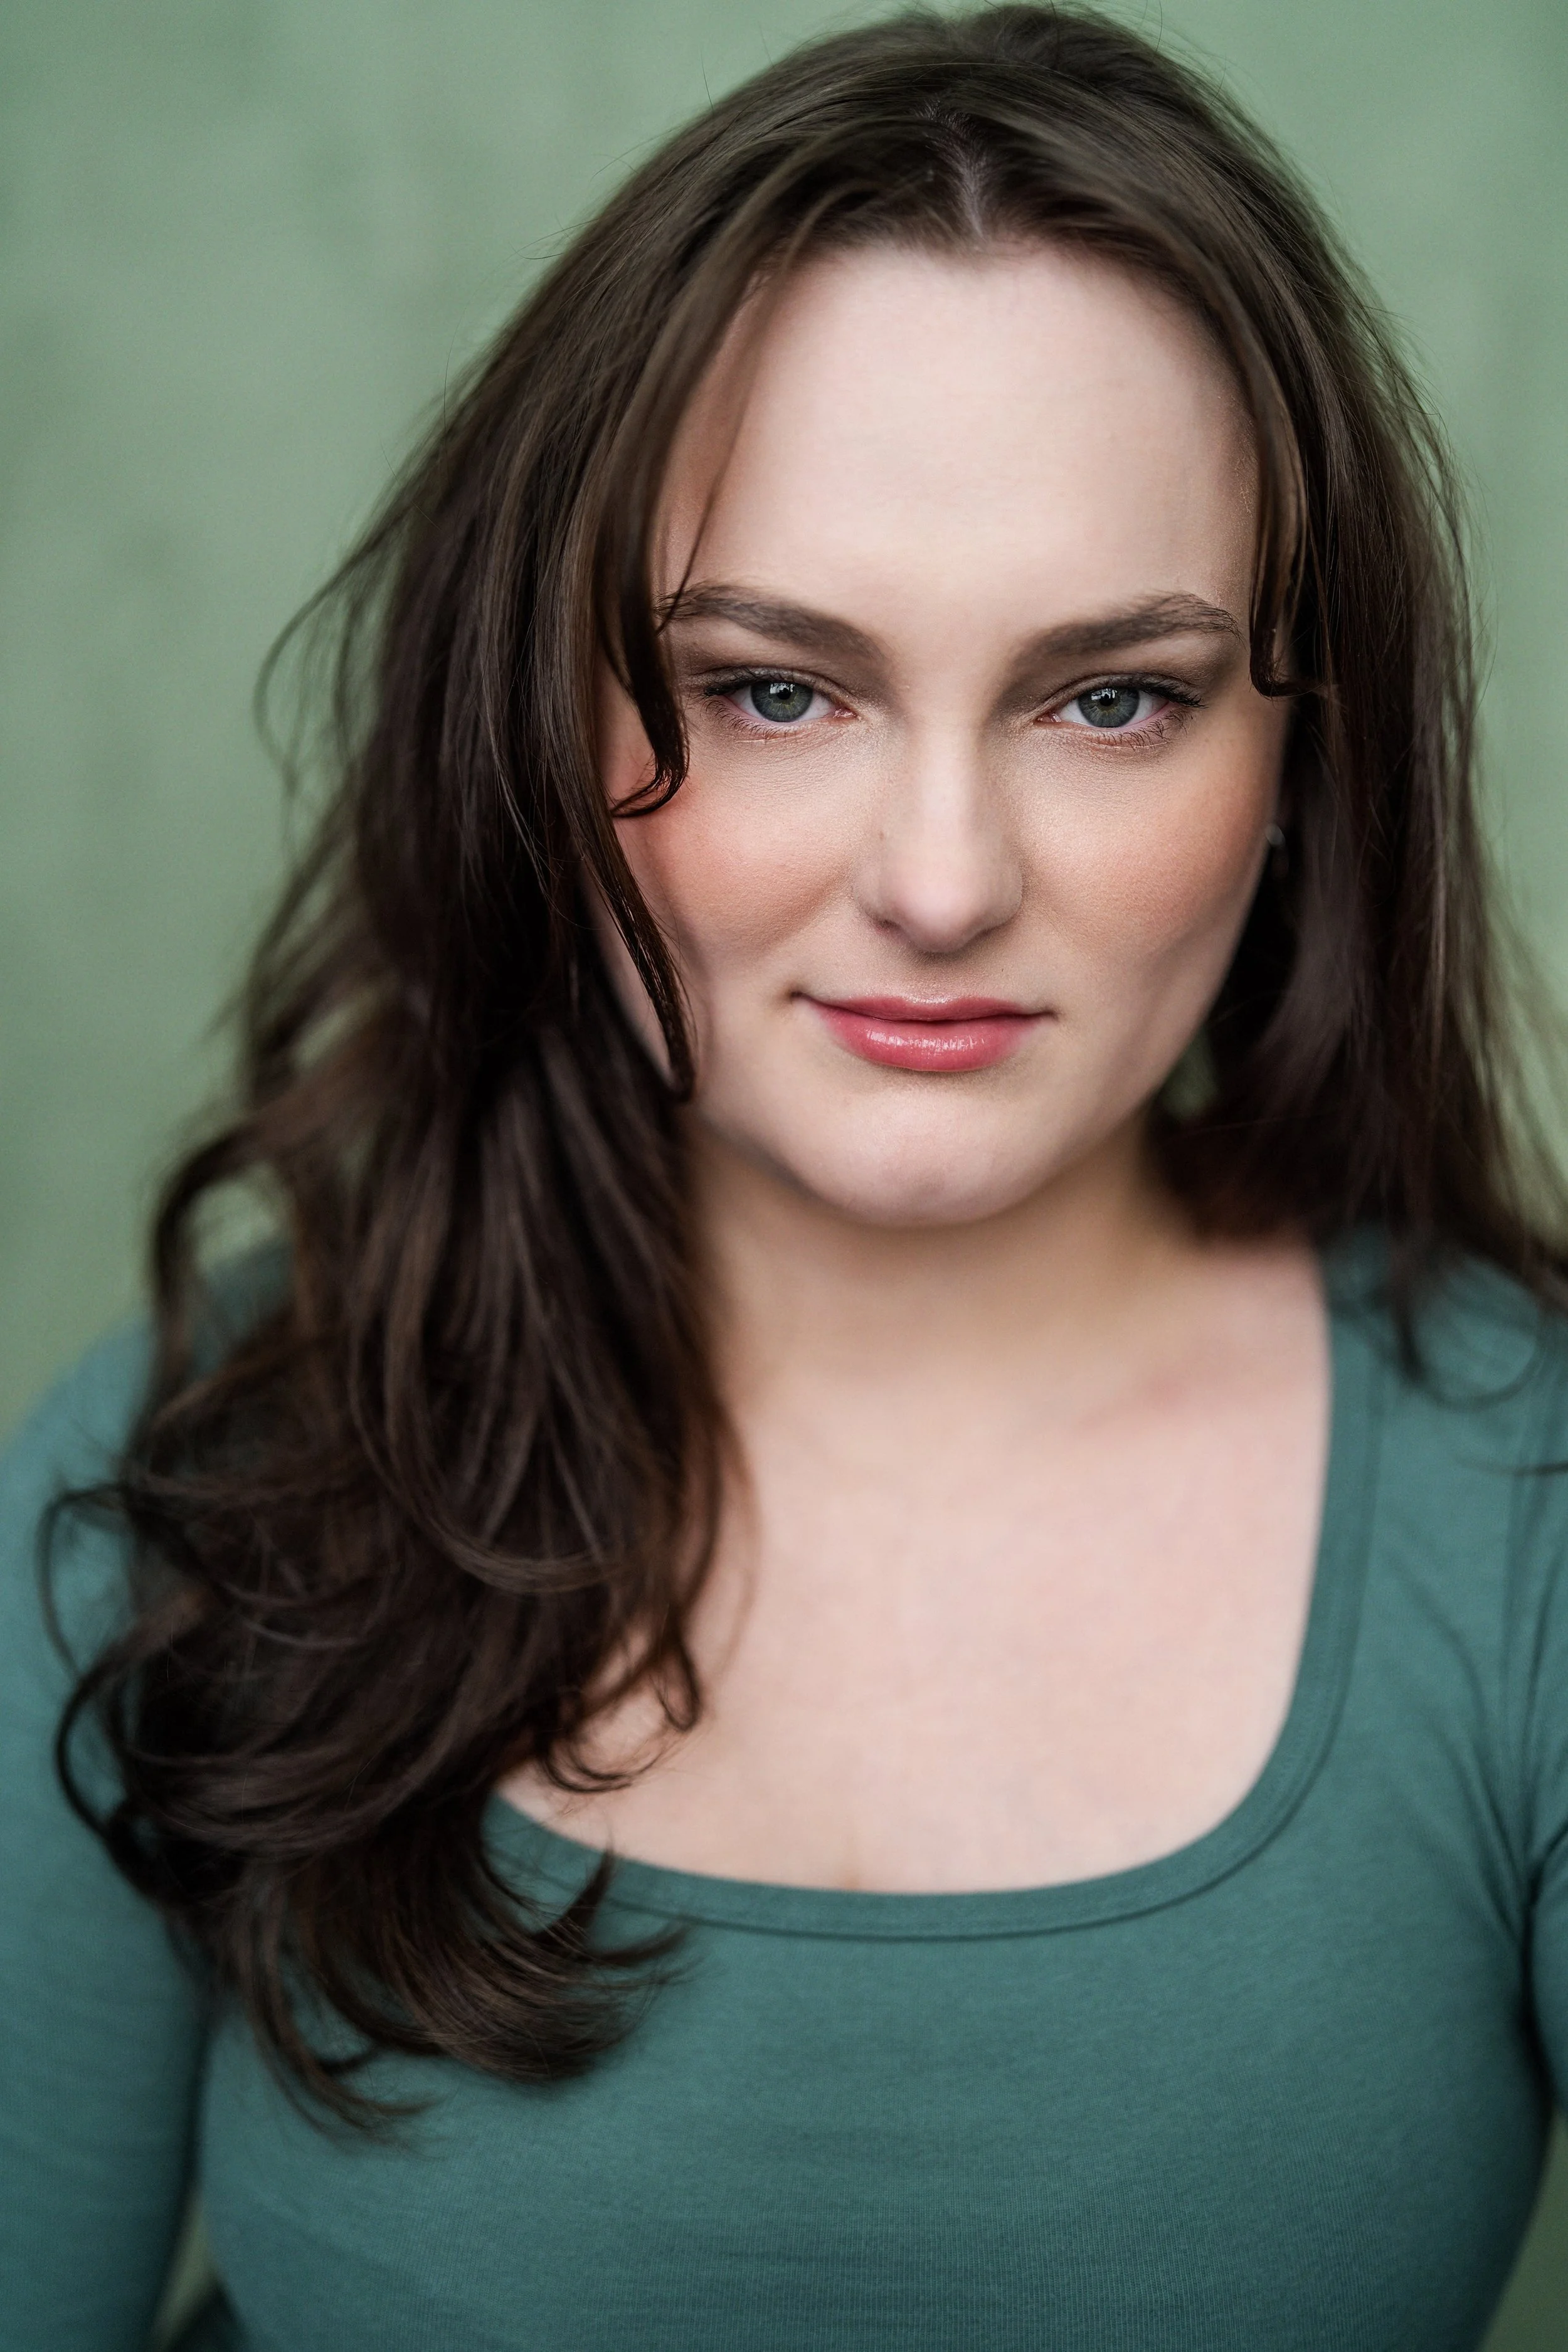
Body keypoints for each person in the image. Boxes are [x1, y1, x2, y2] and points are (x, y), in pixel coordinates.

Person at [4, 6, 1566, 2346]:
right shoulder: (202, 1467)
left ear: (1300, 759)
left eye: (1108, 696)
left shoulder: (1526, 1504)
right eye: (773, 688)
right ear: (546, 715)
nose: (938, 882)